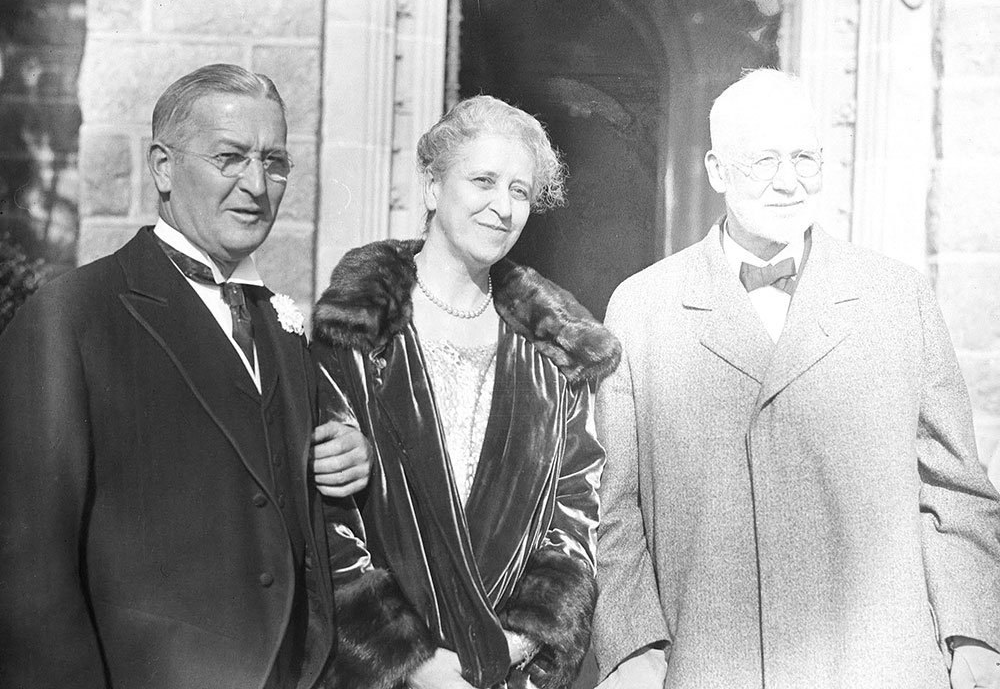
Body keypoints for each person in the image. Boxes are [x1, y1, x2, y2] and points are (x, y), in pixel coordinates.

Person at [592, 69, 1000, 689]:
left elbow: (956, 492)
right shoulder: (641, 308)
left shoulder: (900, 298)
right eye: (762, 161)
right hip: (706, 664)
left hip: (881, 666)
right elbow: (613, 505)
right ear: (716, 171)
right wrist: (633, 649)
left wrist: (973, 638)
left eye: (804, 158)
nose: (788, 181)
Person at [0, 63, 367, 689]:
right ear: (163, 167)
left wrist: (348, 459)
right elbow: (27, 573)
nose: (256, 184)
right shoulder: (71, 317)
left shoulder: (282, 329)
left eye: (274, 162)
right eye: (230, 157)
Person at [309, 95, 620, 689]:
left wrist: (514, 646)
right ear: (431, 186)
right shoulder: (357, 328)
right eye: (483, 181)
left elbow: (575, 517)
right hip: (381, 673)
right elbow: (329, 520)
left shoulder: (554, 353)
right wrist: (413, 664)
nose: (502, 208)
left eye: (521, 191)